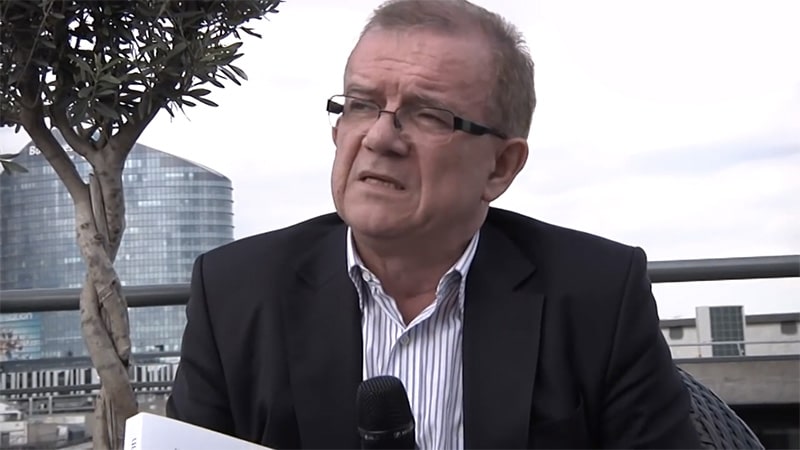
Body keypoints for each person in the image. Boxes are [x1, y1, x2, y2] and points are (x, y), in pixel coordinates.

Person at [166, 0, 702, 448]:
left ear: (501, 166)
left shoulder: (599, 295)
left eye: (428, 115)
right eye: (361, 105)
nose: (379, 138)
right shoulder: (234, 291)